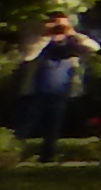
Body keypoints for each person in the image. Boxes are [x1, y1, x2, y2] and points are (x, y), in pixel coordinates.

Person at [18, 13, 96, 158]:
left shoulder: (72, 42)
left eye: (61, 24)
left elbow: (94, 47)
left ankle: (48, 155)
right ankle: (13, 153)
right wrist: (46, 35)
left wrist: (72, 33)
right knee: (26, 124)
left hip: (61, 91)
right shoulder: (40, 41)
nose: (59, 28)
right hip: (36, 91)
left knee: (53, 127)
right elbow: (28, 55)